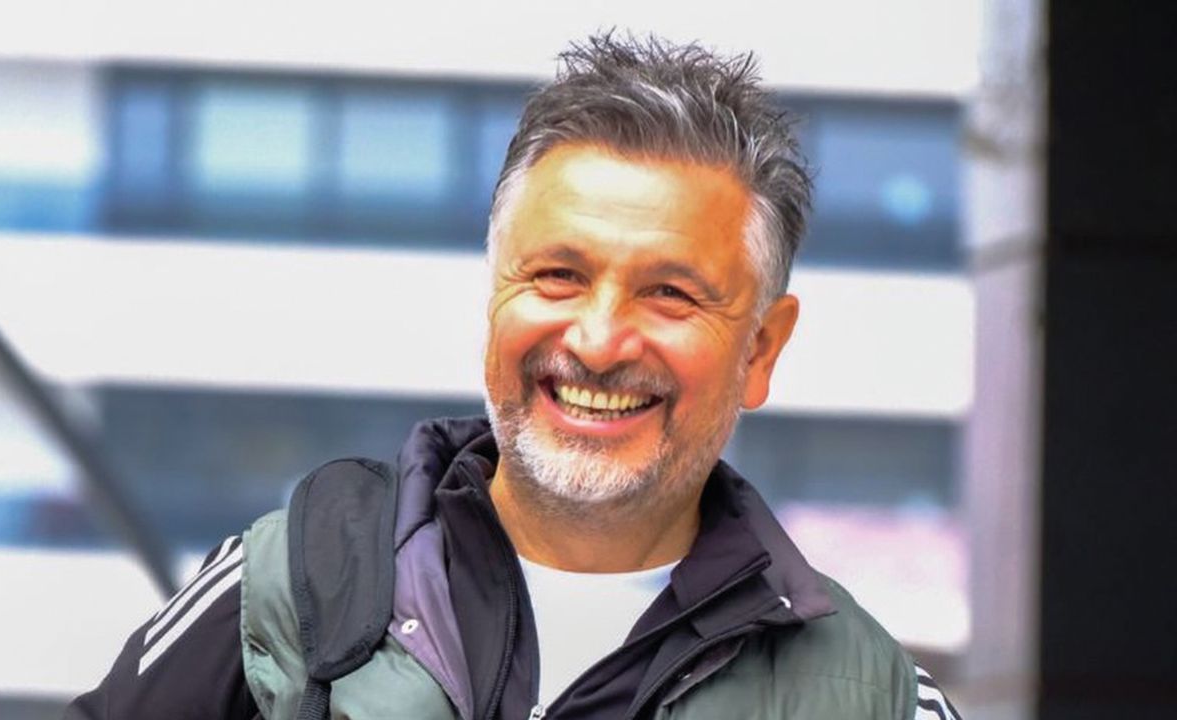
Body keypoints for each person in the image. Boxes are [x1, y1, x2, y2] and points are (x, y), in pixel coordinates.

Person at [67, 33, 962, 720]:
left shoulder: (868, 694)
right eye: (558, 275)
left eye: (670, 293)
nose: (599, 341)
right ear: (495, 292)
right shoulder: (290, 579)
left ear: (760, 349)